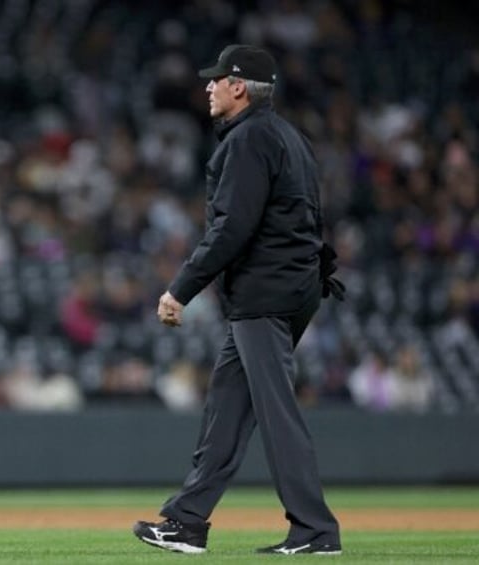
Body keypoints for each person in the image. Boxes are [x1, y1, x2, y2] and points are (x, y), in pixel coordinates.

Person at [132, 45, 344, 556]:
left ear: (240, 87)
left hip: (264, 294)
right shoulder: (288, 136)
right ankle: (187, 521)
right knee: (227, 408)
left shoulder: (249, 138)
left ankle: (315, 529)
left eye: (217, 79)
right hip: (288, 288)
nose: (207, 86)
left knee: (276, 414)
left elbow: (232, 228)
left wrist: (179, 289)